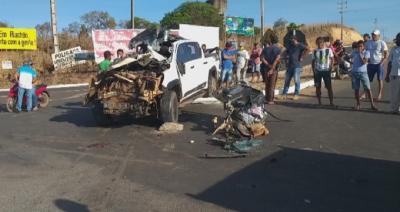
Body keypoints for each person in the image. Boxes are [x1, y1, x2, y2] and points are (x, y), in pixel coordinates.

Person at [351, 40, 377, 111]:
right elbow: (349, 58)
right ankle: (358, 104)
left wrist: (360, 54)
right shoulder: (354, 52)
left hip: (363, 73)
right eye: (358, 46)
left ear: (363, 47)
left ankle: (372, 104)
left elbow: (364, 62)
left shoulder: (366, 52)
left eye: (361, 46)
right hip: (354, 73)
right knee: (356, 90)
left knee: (368, 89)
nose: (359, 47)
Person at [281, 35, 309, 100]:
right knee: (287, 80)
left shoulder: (300, 45)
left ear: (295, 39)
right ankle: (284, 94)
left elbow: (307, 49)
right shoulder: (290, 46)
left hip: (297, 66)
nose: (291, 41)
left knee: (296, 80)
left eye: (292, 39)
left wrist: (302, 57)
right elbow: (285, 52)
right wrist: (285, 59)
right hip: (289, 66)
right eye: (290, 40)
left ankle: (296, 94)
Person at [365, 30, 388, 100]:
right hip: (370, 64)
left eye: (375, 35)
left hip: (379, 64)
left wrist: (382, 63)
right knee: (367, 80)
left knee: (379, 79)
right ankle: (364, 93)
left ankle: (379, 94)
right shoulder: (368, 42)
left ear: (379, 35)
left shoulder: (382, 42)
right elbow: (365, 51)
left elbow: (386, 54)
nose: (373, 36)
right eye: (372, 34)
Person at [312, 37, 335, 106]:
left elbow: (332, 59)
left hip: (326, 71)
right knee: (318, 87)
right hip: (318, 72)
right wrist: (314, 70)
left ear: (323, 43)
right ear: (316, 43)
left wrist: (330, 68)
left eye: (321, 42)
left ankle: (331, 102)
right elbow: (313, 62)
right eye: (318, 43)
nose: (319, 44)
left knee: (329, 87)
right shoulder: (315, 51)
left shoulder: (328, 50)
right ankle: (319, 102)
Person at [261, 34, 282, 104]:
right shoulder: (278, 49)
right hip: (274, 69)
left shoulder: (265, 49)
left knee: (267, 84)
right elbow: (277, 59)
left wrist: (268, 65)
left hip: (266, 68)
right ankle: (270, 100)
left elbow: (262, 58)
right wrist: (272, 68)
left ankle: (267, 98)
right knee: (272, 85)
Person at [385, 33, 400, 114]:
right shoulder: (393, 49)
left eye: (399, 38)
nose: (397, 40)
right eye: (397, 38)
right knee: (394, 93)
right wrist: (387, 75)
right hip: (394, 74)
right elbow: (390, 63)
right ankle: (393, 109)